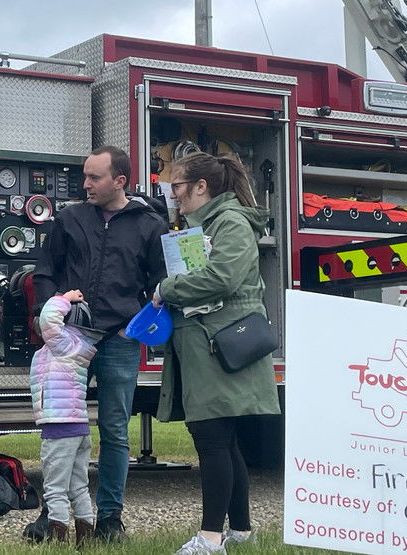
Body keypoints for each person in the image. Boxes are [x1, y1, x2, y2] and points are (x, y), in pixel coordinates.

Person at [31, 145, 168, 541]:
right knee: (60, 427)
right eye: (85, 176)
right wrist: (49, 316)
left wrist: (135, 328)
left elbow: (161, 287)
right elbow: (45, 272)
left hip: (119, 342)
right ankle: (53, 515)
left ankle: (109, 519)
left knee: (114, 430)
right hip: (70, 342)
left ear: (119, 181)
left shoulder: (149, 225)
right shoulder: (70, 218)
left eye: (94, 177)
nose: (85, 184)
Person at [151, 152, 280, 555]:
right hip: (208, 346)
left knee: (211, 440)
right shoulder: (209, 223)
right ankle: (240, 531)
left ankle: (209, 540)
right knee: (224, 441)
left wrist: (166, 290)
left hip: (216, 347)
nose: (173, 194)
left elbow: (222, 278)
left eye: (177, 186)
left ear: (201, 187)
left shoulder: (230, 223)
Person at [28, 290, 102, 545]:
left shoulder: (63, 342)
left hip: (59, 428)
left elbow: (48, 319)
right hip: (79, 427)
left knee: (55, 488)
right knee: (78, 486)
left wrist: (64, 297)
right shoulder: (81, 345)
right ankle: (85, 539)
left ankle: (57, 539)